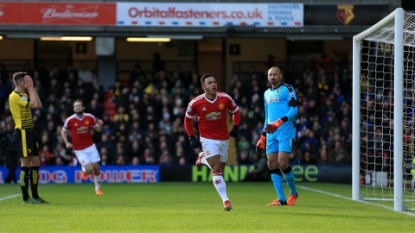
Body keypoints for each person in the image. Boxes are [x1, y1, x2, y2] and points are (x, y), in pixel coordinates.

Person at [184, 73, 240, 211]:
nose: (213, 84)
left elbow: (236, 111)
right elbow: (187, 119)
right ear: (204, 87)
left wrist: (236, 127)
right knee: (216, 168)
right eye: (210, 83)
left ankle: (203, 159)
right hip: (207, 139)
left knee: (220, 169)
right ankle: (226, 201)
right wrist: (191, 136)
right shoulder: (195, 103)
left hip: (224, 138)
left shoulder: (225, 98)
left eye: (214, 82)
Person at [256, 66, 299, 206]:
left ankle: (293, 193)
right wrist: (262, 136)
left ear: (280, 75)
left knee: (282, 163)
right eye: (270, 75)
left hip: (285, 129)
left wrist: (280, 122)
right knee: (271, 163)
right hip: (271, 132)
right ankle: (281, 199)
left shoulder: (288, 89)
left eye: (275, 74)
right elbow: (267, 117)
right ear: (268, 77)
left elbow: (294, 110)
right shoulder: (266, 93)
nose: (272, 77)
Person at [8, 71, 49, 204]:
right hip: (23, 131)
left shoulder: (24, 94)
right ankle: (26, 198)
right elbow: (35, 105)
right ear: (21, 83)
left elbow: (39, 105)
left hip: (30, 131)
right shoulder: (14, 96)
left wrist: (32, 89)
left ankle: (36, 196)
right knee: (25, 163)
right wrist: (31, 88)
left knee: (36, 163)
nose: (29, 83)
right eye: (27, 81)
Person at [61, 99, 104, 195]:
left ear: (83, 107)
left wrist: (100, 125)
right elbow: (63, 131)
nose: (77, 107)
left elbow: (98, 129)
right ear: (73, 109)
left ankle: (98, 189)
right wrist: (67, 142)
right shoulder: (70, 120)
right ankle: (84, 171)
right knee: (90, 169)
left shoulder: (89, 117)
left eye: (79, 105)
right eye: (75, 106)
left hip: (90, 146)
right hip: (79, 149)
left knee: (96, 167)